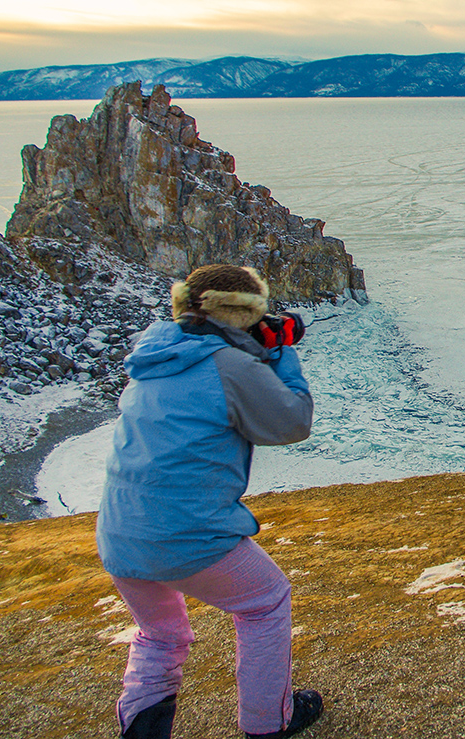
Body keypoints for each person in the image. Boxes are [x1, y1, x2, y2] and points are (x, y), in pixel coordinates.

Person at [96, 265, 323, 739]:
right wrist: (280, 352)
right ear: (243, 314)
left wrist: (253, 347)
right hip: (186, 533)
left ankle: (142, 732)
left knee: (161, 634)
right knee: (265, 602)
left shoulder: (154, 355)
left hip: (120, 532)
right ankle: (268, 723)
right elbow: (291, 422)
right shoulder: (230, 366)